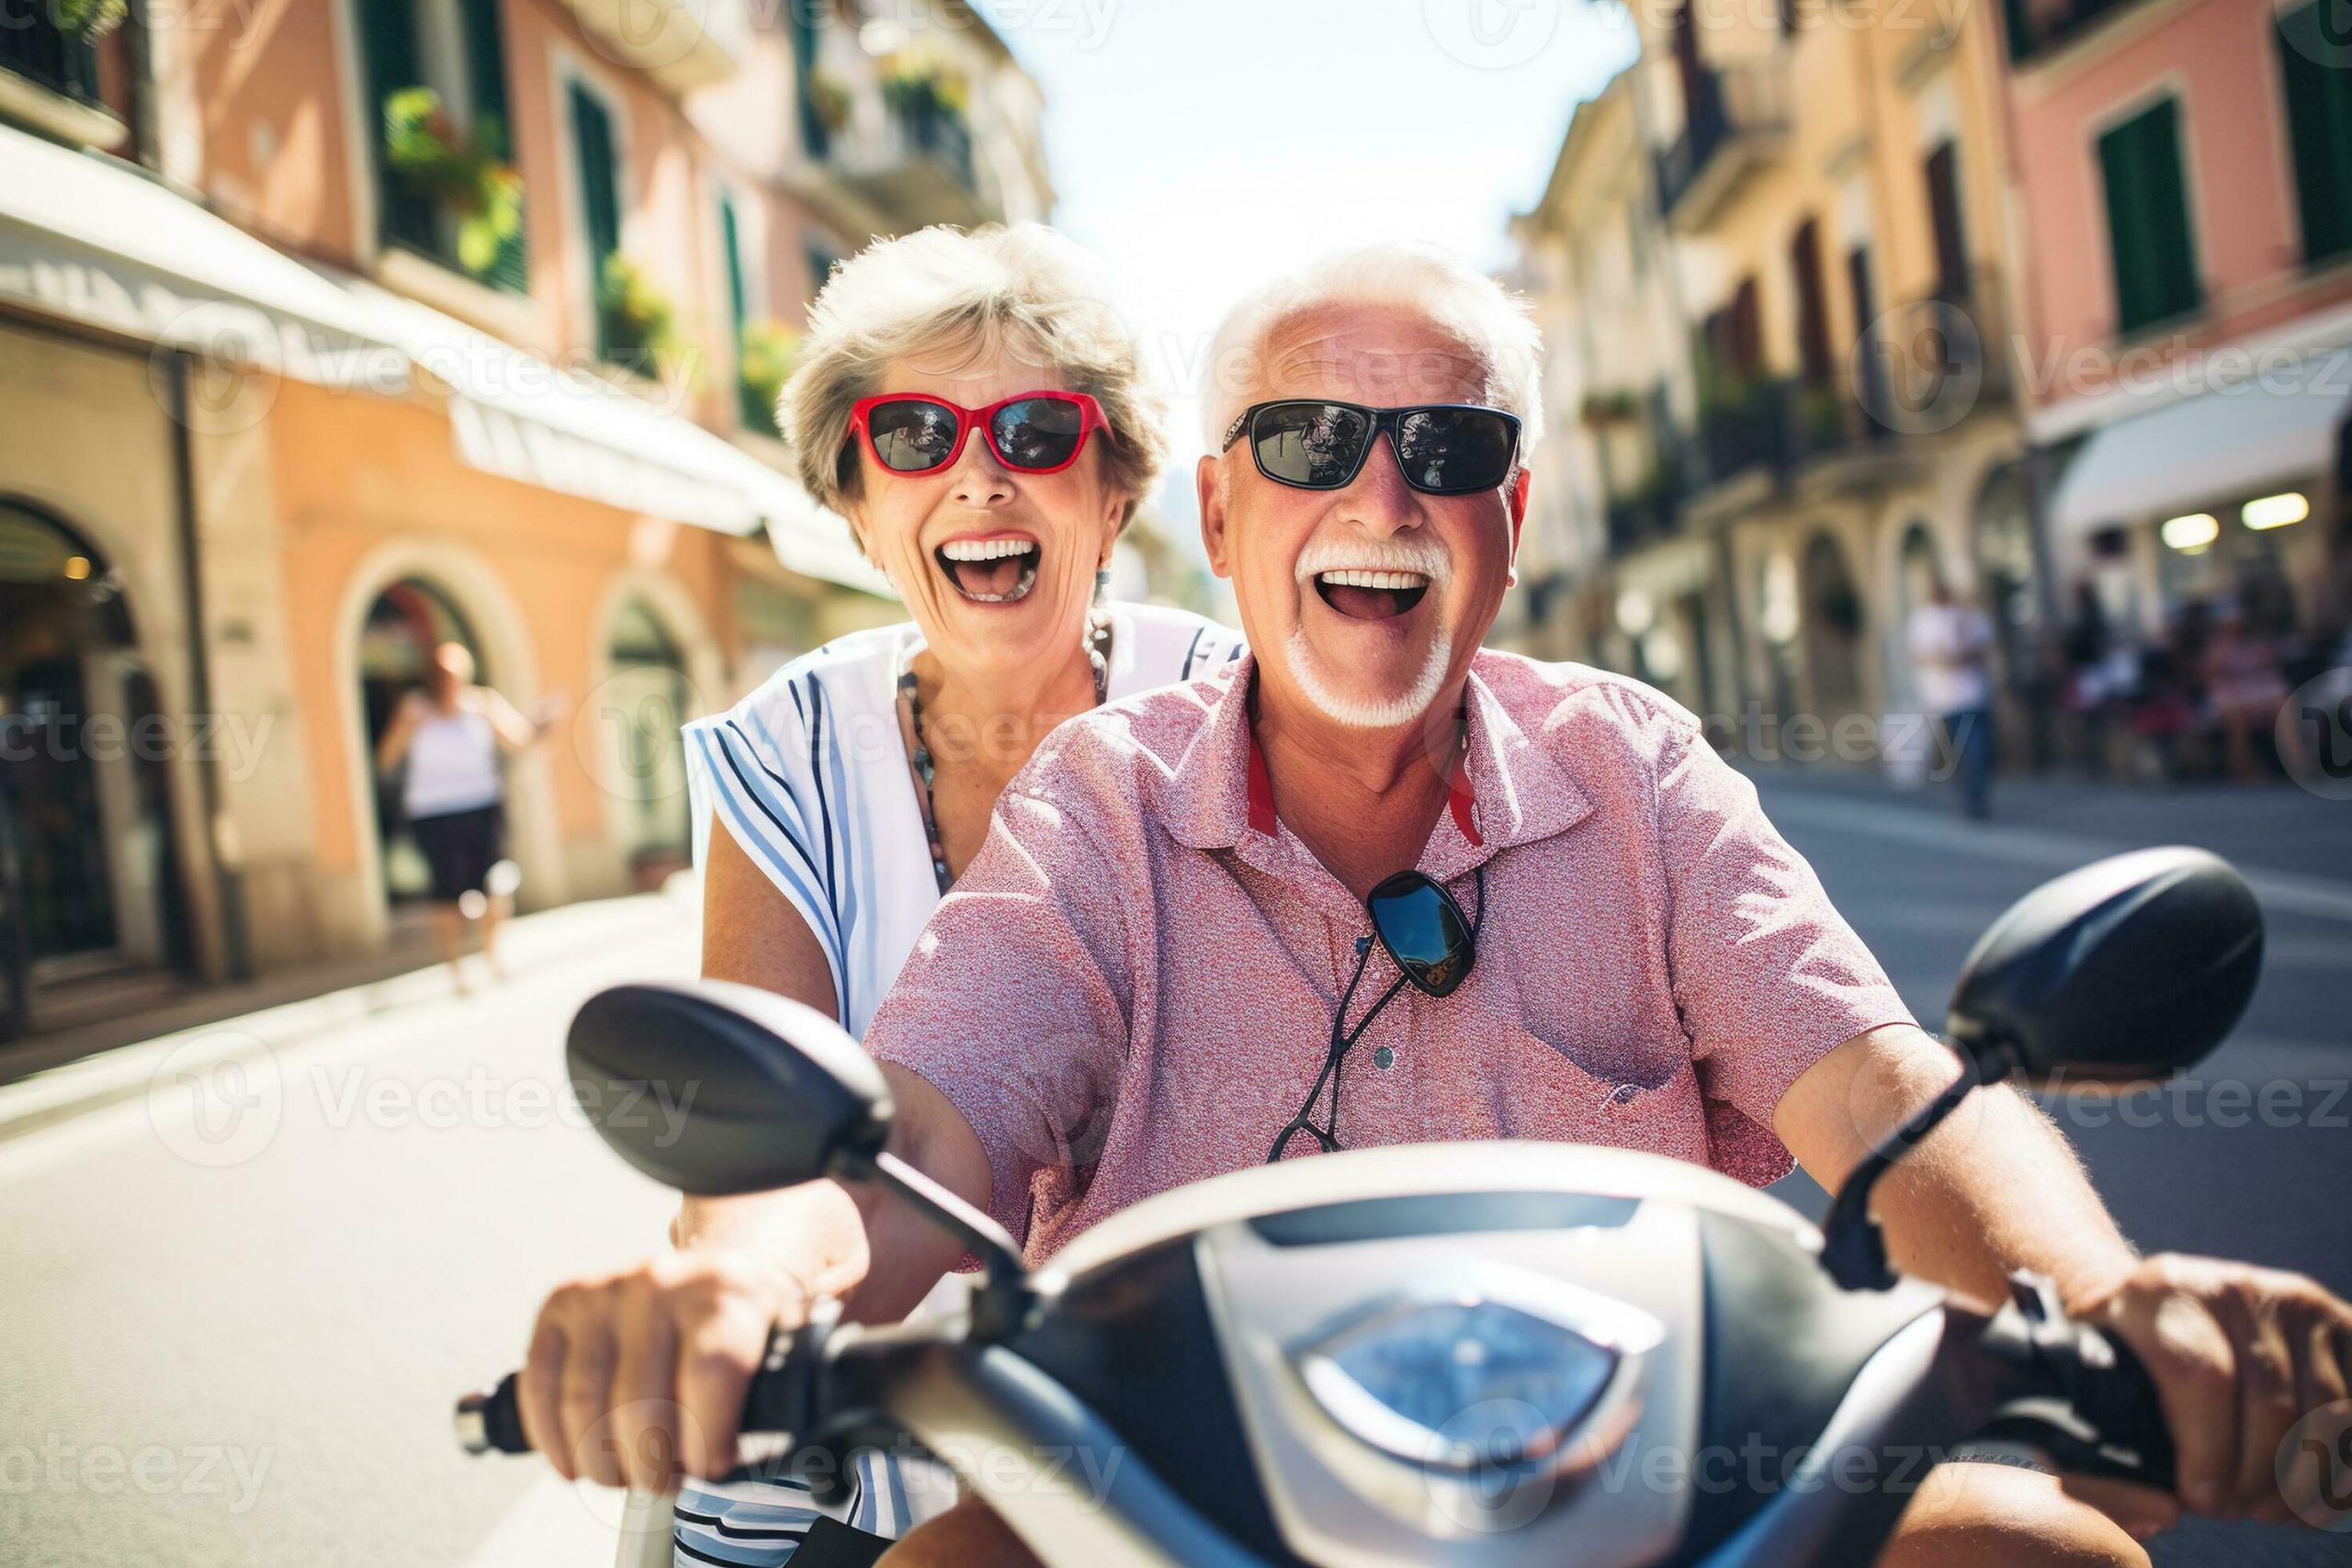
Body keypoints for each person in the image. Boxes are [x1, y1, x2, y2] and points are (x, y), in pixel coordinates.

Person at [517, 248, 2352, 1566]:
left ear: (1510, 517)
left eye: (1445, 452)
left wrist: (2119, 1309)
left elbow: (1875, 1087)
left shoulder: (1634, 769)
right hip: (1177, 1512)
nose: (1380, 490)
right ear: (1225, 516)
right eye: (1312, 445)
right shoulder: (1098, 802)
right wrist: (738, 1284)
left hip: (1684, 1501)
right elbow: (920, 1121)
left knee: (2025, 1544)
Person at [663, 223, 1238, 1560]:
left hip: (1177, 1418)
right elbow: (760, 1142)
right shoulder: (788, 747)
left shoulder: (1236, 707)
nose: (977, 472)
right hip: (854, 1421)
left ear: (1112, 491)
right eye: (913, 435)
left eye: (1035, 430)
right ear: (859, 507)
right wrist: (739, 1274)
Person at [372, 642, 548, 988]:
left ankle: (492, 954)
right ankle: (455, 969)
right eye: (442, 675)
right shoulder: (415, 709)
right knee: (446, 893)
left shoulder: (483, 704)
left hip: (482, 805)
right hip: (434, 812)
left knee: (497, 884)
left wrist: (543, 724)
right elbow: (386, 759)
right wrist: (407, 727)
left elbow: (520, 739)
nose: (448, 682)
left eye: (454, 675)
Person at [1906, 570, 1996, 818]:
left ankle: (1976, 796)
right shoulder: (1923, 620)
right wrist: (1946, 659)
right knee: (1960, 752)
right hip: (1945, 701)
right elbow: (1919, 656)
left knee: (1978, 750)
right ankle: (1969, 796)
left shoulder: (1969, 616)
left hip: (1974, 695)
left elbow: (1982, 649)